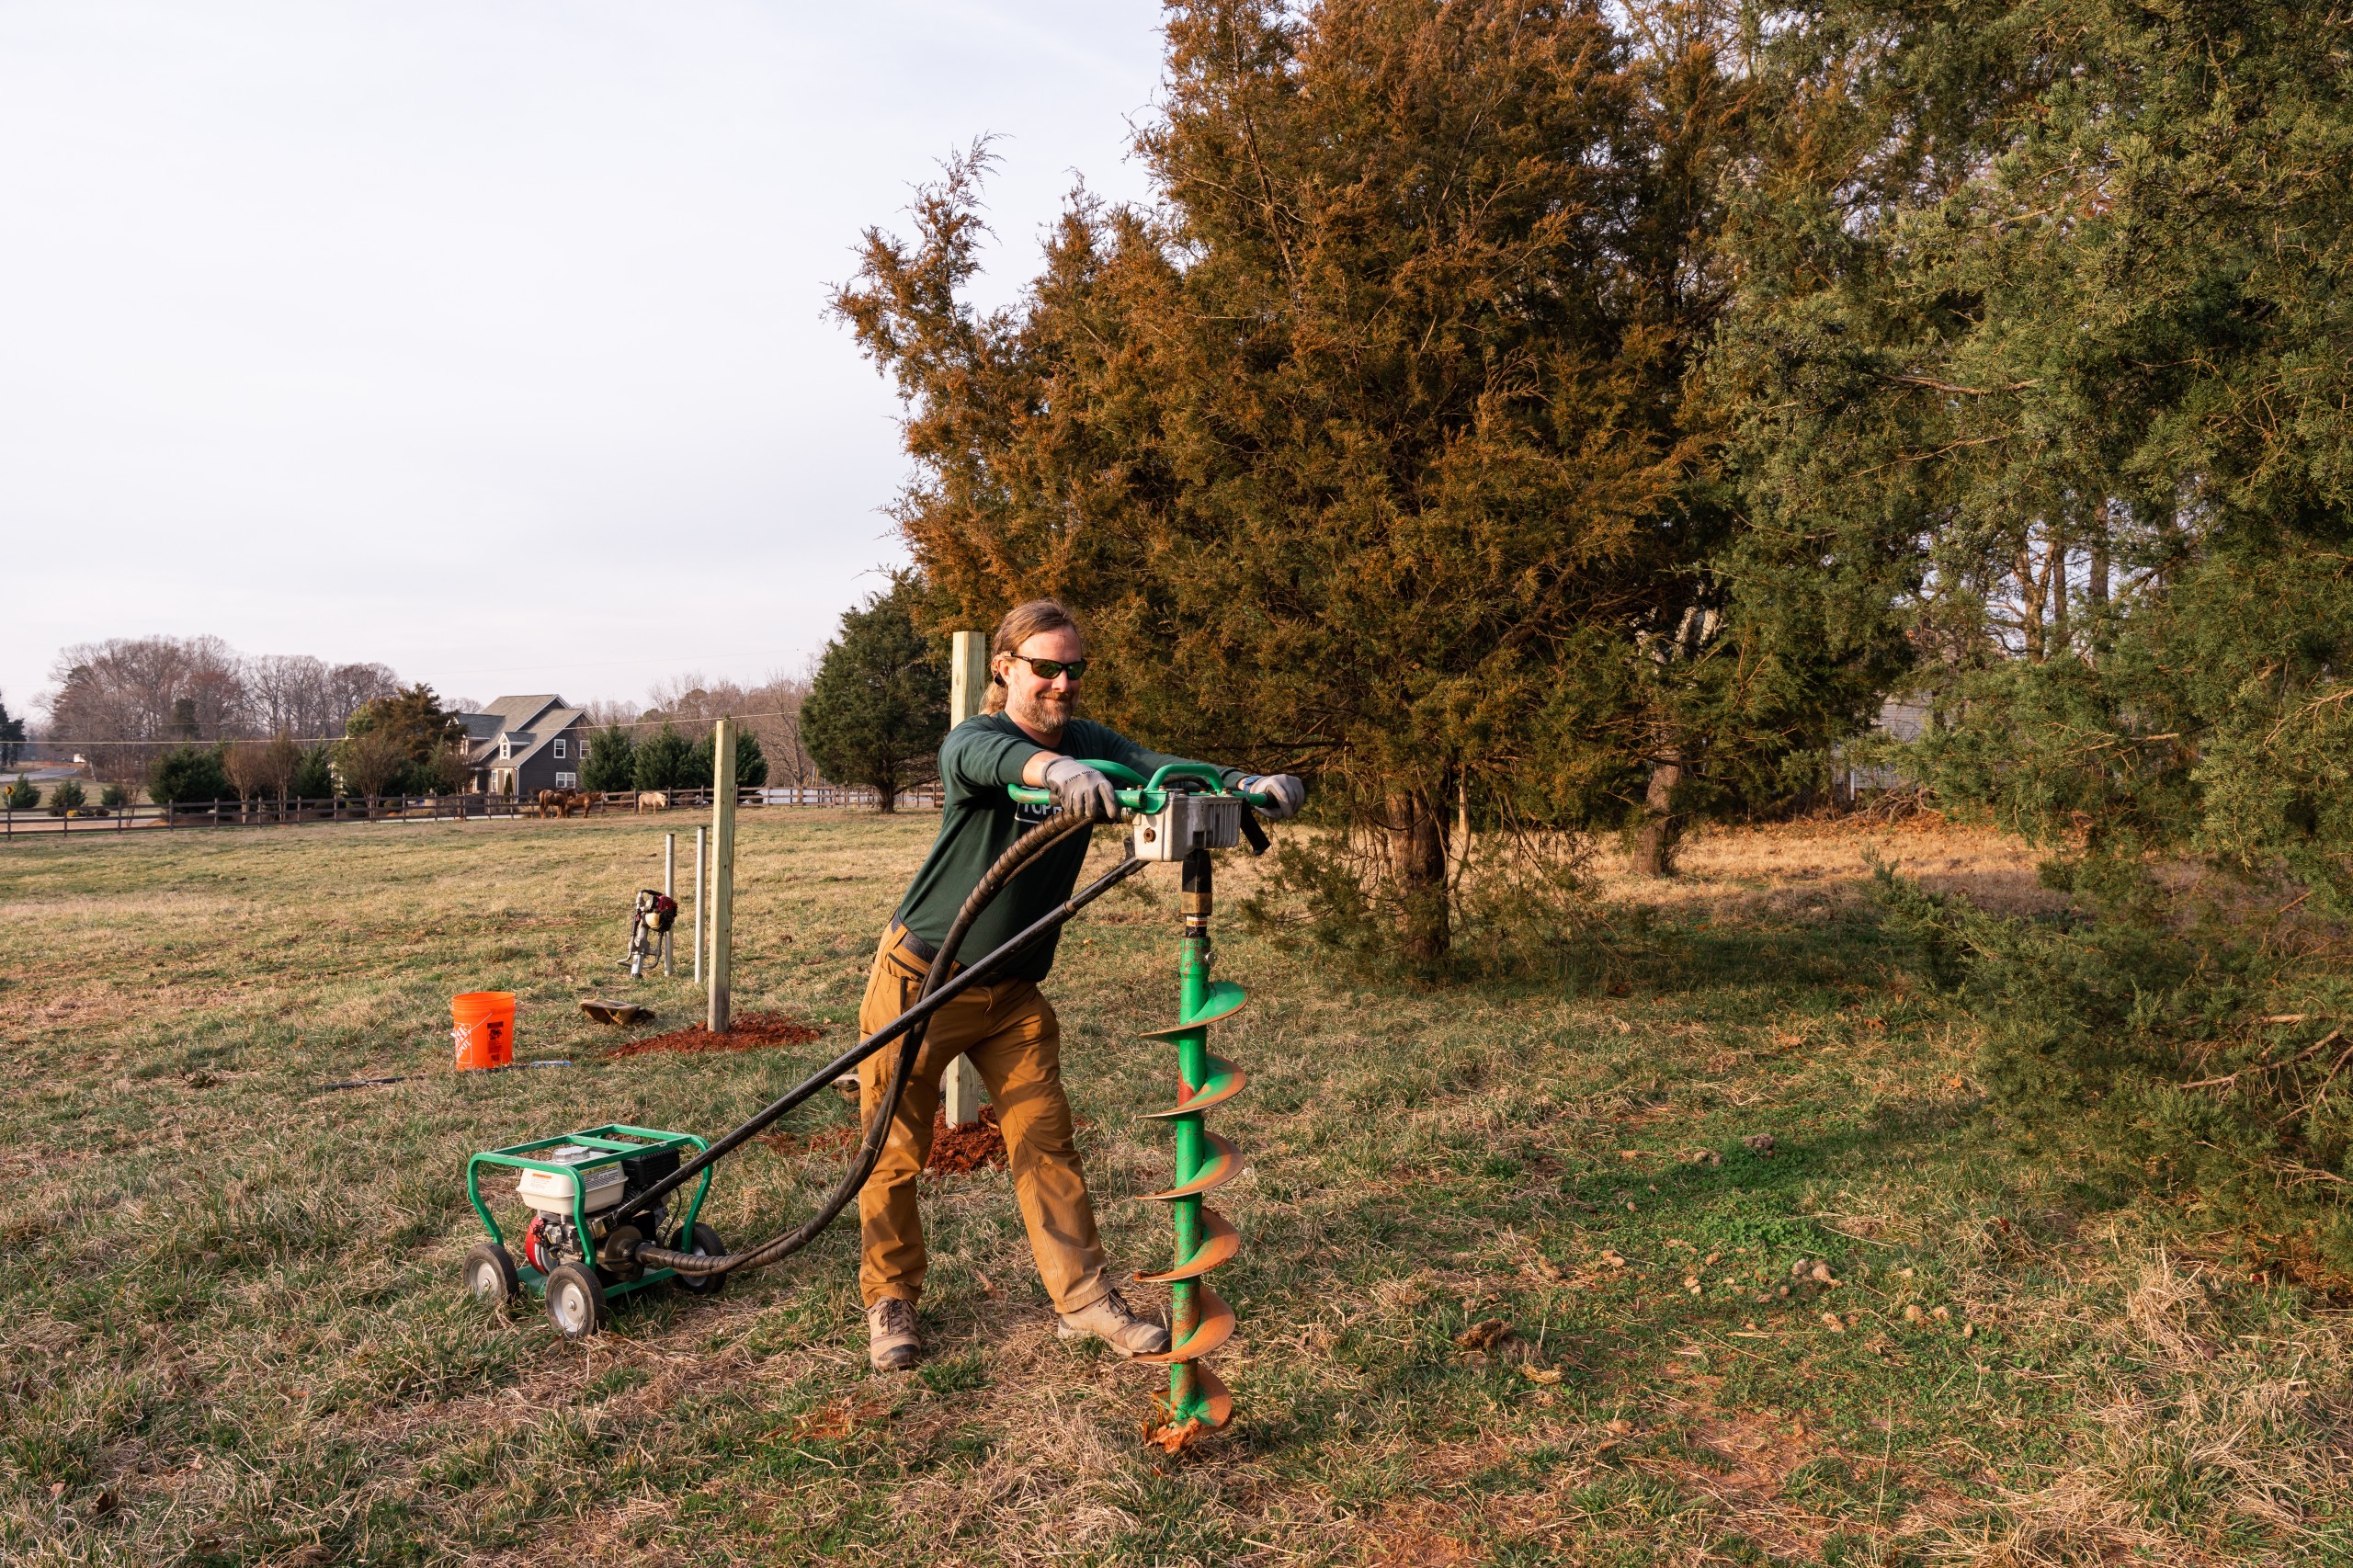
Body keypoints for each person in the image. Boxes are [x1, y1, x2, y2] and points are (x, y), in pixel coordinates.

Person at [857, 598, 1306, 1371]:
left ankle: (1084, 1301)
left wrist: (1248, 781)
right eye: (1045, 668)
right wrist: (1057, 772)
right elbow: (994, 765)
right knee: (896, 1150)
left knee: (1046, 1145)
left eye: (1074, 670)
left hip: (1015, 993)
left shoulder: (1092, 743)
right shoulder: (979, 737)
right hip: (922, 979)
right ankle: (890, 1300)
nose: (1062, 684)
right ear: (1005, 669)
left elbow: (1158, 766)